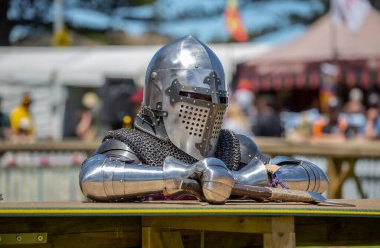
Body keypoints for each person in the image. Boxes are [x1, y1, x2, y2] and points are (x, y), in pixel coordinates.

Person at [79, 36, 328, 204]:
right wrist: (183, 176)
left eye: (219, 98)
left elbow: (316, 178)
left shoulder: (234, 147)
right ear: (159, 95)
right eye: (194, 95)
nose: (210, 107)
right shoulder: (131, 146)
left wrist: (239, 179)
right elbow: (92, 178)